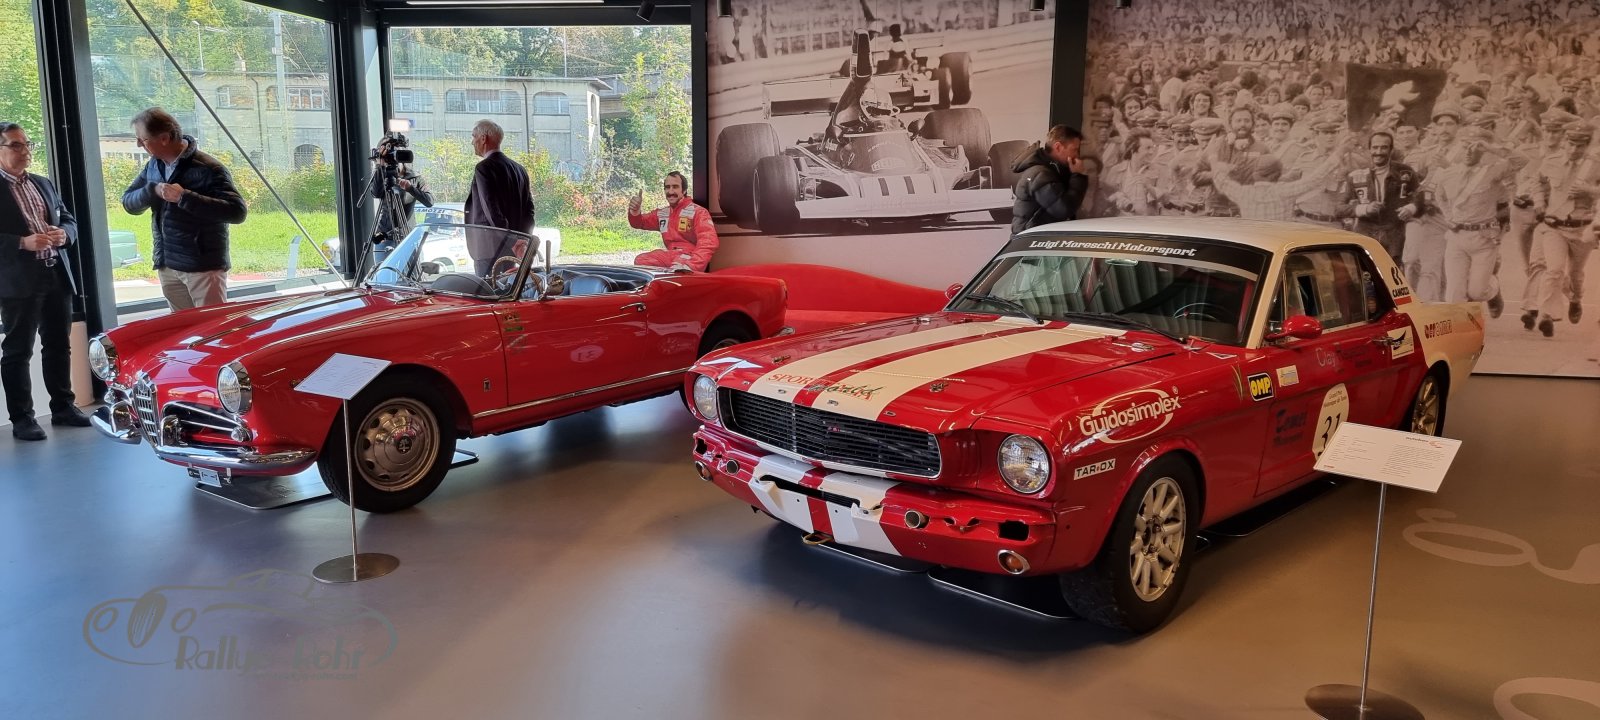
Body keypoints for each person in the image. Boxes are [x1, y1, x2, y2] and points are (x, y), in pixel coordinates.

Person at [0, 122, 89, 441]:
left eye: (27, 144)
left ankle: (63, 407)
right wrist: (21, 243)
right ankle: (22, 418)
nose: (25, 151)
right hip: (17, 282)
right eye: (15, 145)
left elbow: (68, 219)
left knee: (58, 345)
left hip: (55, 273)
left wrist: (65, 234)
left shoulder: (43, 182)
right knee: (17, 351)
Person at [121, 107, 247, 311]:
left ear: (164, 138)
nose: (138, 145)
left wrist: (184, 197)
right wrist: (152, 190)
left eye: (142, 140)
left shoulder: (208, 168)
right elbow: (128, 202)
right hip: (168, 265)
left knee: (210, 326)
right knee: (182, 328)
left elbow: (237, 212)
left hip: (202, 267)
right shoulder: (153, 166)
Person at [464, 119, 535, 276]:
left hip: (489, 250)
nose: (472, 141)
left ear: (484, 138)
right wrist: (521, 240)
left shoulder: (484, 168)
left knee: (489, 290)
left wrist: (513, 241)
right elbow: (529, 211)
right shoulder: (519, 170)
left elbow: (491, 209)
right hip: (513, 249)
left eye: (473, 136)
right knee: (509, 288)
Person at [1339, 131, 1423, 261]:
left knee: (1393, 270)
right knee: (1367, 270)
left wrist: (1411, 208)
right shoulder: (1356, 174)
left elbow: (1420, 195)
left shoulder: (1405, 171)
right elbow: (1339, 208)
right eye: (1375, 147)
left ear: (1391, 150)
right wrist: (1364, 209)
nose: (1378, 152)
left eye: (1384, 148)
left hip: (1394, 233)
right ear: (1369, 149)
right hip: (1366, 232)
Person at [628, 171, 719, 272]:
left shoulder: (699, 212)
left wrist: (692, 265)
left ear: (684, 190)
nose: (670, 191)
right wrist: (635, 210)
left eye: (675, 187)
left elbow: (709, 242)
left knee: (677, 270)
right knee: (641, 260)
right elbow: (639, 223)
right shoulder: (662, 213)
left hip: (689, 258)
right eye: (667, 187)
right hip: (670, 255)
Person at [1010, 124, 1087, 233]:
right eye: (1074, 150)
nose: (1077, 155)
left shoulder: (1053, 170)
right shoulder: (1040, 174)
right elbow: (1062, 210)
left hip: (1036, 237)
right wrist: (1078, 176)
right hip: (1031, 239)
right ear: (1058, 147)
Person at [371, 136, 433, 243]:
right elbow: (376, 193)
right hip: (384, 236)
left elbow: (430, 201)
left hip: (408, 235)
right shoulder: (380, 175)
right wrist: (380, 167)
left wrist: (410, 188)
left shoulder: (415, 177)